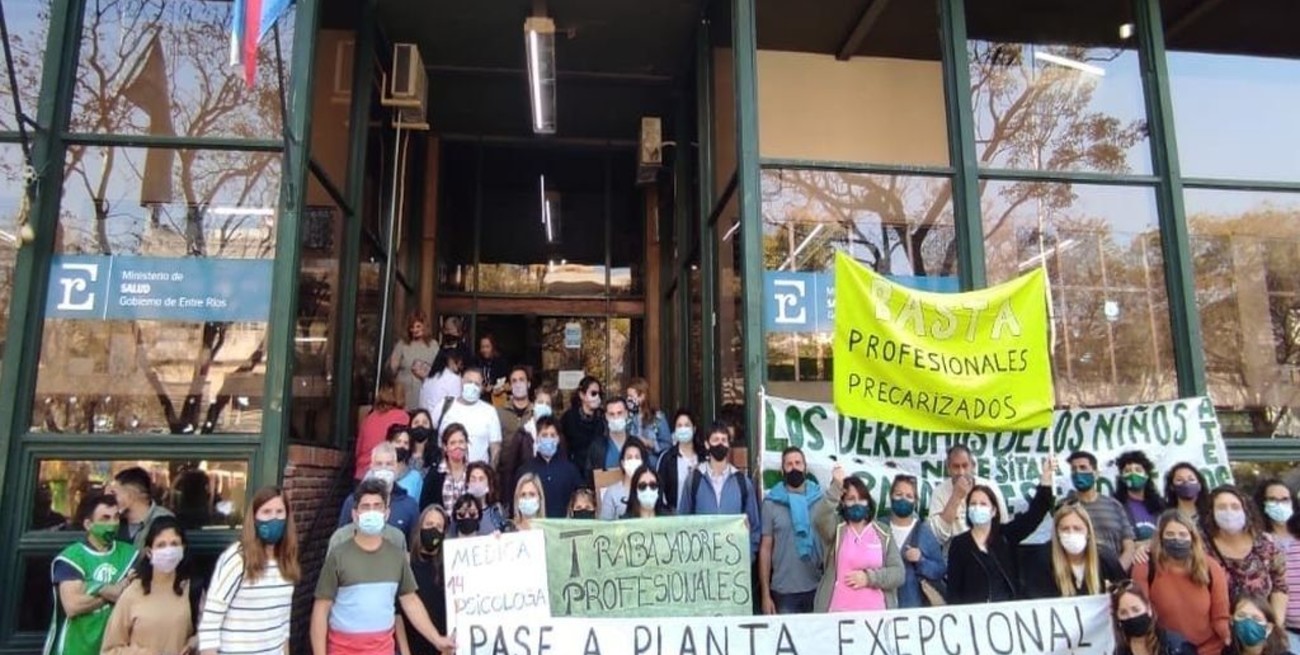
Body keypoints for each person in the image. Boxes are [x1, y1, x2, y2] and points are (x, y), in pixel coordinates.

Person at [311, 479, 453, 655]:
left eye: (377, 506)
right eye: (366, 506)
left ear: (386, 513)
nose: (372, 511)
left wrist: (437, 639)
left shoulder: (396, 556)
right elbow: (320, 611)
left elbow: (410, 601)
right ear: (355, 514)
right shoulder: (337, 556)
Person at [198, 486, 300, 655]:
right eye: (266, 512)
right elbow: (211, 621)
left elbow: (283, 625)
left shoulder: (286, 562)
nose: (273, 518)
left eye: (279, 512)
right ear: (254, 518)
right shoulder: (238, 558)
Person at [945, 457, 1055, 604]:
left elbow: (1034, 515)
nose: (978, 507)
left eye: (983, 504)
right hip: (974, 619)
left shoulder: (1005, 536)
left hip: (1008, 614)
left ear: (994, 510)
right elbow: (954, 591)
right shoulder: (959, 544)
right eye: (973, 504)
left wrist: (1046, 479)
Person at [44, 494, 138, 655]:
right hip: (76, 647)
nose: (112, 524)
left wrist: (90, 587)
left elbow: (134, 597)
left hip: (115, 647)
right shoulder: (71, 558)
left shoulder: (130, 554)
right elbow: (73, 606)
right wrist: (107, 590)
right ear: (88, 524)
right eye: (105, 518)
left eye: (116, 517)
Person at [1133, 510, 1231, 655]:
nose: (1177, 539)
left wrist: (1232, 640)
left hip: (1208, 649)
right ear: (1160, 537)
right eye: (1170, 534)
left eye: (1182, 535)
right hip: (1165, 649)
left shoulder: (1211, 567)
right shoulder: (1145, 567)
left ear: (1192, 537)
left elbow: (1220, 616)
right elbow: (1142, 618)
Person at [101, 517, 199, 655]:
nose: (168, 551)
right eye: (161, 545)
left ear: (182, 548)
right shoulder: (133, 593)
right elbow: (109, 650)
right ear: (149, 552)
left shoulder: (193, 589)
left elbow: (209, 634)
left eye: (174, 544)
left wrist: (195, 642)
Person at [812, 464, 904, 612]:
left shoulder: (883, 532)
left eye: (861, 499)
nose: (857, 503)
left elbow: (898, 573)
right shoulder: (836, 529)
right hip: (836, 616)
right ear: (843, 502)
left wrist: (869, 578)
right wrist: (837, 486)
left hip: (876, 619)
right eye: (851, 499)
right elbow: (819, 518)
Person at [1206, 486, 1288, 633]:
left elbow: (1280, 586)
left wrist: (1275, 624)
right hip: (1222, 634)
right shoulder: (1202, 548)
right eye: (1222, 507)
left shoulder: (1264, 544)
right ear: (1212, 513)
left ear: (1245, 510)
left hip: (1263, 630)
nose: (1229, 512)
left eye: (1235, 506)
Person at [679, 422, 762, 557]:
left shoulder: (742, 482)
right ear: (707, 444)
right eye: (715, 440)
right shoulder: (694, 480)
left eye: (724, 440)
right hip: (701, 563)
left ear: (729, 445)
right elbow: (682, 521)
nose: (720, 444)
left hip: (734, 564)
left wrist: (747, 558)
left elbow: (754, 526)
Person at [760, 447, 824, 615]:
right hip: (783, 592)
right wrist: (765, 595)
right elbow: (765, 549)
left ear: (805, 467)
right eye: (789, 464)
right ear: (782, 470)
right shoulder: (771, 503)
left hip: (816, 587)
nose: (794, 468)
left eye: (798, 463)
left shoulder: (820, 500)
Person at [881, 474, 945, 609]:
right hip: (880, 606)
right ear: (891, 496)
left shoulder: (923, 532)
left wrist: (921, 560)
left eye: (909, 496)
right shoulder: (879, 527)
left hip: (913, 608)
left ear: (915, 501)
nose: (903, 499)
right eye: (899, 494)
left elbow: (940, 569)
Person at [1035, 504, 1126, 598]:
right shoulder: (1044, 559)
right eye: (1065, 529)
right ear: (1057, 533)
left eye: (1077, 528)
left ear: (1088, 532)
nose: (1071, 533)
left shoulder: (1105, 557)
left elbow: (1126, 594)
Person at [926, 444, 1009, 545]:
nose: (961, 472)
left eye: (965, 466)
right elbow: (936, 535)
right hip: (954, 552)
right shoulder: (939, 492)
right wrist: (956, 497)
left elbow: (1003, 524)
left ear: (973, 466)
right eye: (956, 467)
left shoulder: (990, 487)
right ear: (948, 468)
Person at [1066, 450, 1136, 567]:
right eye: (1074, 469)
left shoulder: (1114, 505)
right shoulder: (1065, 507)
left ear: (1096, 473)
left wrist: (1117, 573)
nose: (1078, 472)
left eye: (1083, 468)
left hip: (1114, 576)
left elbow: (1129, 545)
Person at [1254, 480, 1300, 651]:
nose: (1279, 504)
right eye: (1272, 500)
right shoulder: (1259, 540)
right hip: (1285, 631)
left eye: (1284, 499)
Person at [339, 443, 419, 540]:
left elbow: (413, 546)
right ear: (372, 467)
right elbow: (341, 538)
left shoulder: (409, 505)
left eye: (389, 464)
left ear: (396, 467)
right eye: (379, 464)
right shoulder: (353, 501)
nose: (384, 468)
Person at [403, 506, 449, 655]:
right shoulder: (406, 565)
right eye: (429, 524)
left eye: (439, 526)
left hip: (444, 648)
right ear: (420, 527)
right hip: (413, 647)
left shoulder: (450, 567)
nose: (434, 530)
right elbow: (398, 612)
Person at [518, 416, 583, 520]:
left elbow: (580, 501)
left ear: (558, 439)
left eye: (552, 435)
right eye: (544, 435)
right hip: (535, 529)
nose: (548, 439)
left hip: (563, 529)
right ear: (537, 438)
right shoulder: (525, 470)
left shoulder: (570, 470)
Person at [434, 367, 502, 466]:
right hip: (447, 473)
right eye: (469, 382)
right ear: (461, 381)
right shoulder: (445, 405)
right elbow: (430, 430)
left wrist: (490, 474)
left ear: (482, 387)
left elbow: (495, 447)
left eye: (477, 384)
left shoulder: (489, 411)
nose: (472, 386)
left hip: (476, 476)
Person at [1109, 581, 1198, 655]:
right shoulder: (1118, 651)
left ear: (1148, 609)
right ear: (1117, 617)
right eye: (1123, 613)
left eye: (1136, 610)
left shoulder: (1175, 645)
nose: (1131, 616)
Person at [499, 387, 555, 496]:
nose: (544, 406)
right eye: (540, 402)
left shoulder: (558, 435)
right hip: (526, 492)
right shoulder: (522, 434)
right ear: (533, 405)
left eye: (548, 404)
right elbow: (510, 470)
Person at [355, 380, 410, 480]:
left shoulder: (369, 417)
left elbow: (358, 450)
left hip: (360, 474)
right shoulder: (402, 416)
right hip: (382, 472)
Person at [110, 466, 175, 550]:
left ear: (129, 495)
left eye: (115, 494)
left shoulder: (164, 520)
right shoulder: (114, 520)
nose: (111, 499)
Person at [389, 312, 439, 410]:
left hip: (424, 391)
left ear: (425, 326)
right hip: (404, 394)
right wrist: (393, 366)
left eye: (418, 326)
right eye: (412, 327)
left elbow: (438, 369)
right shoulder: (402, 344)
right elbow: (392, 368)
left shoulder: (433, 345)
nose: (414, 330)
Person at [1116, 450, 1166, 545]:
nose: (1133, 474)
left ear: (1147, 475)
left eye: (1138, 470)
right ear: (1121, 477)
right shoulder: (1115, 506)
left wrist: (1145, 546)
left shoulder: (1161, 506)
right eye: (1127, 471)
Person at [419, 423, 470, 515]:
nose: (457, 446)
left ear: (466, 444)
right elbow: (425, 507)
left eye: (461, 442)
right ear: (445, 447)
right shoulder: (434, 474)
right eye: (453, 443)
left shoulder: (473, 472)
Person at [657, 409, 701, 512]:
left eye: (687, 425)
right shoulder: (666, 458)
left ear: (694, 429)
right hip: (675, 519)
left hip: (701, 518)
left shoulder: (703, 457)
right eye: (679, 426)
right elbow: (659, 492)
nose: (683, 429)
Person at [1222, 594, 1297, 655]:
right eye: (1241, 616)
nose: (1248, 622)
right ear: (1232, 621)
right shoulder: (1227, 652)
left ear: (1268, 628)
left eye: (1256, 619)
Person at [561, 376, 606, 476]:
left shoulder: (603, 418)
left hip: (597, 470)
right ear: (582, 395)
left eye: (599, 394)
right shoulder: (569, 418)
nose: (597, 397)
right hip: (574, 470)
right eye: (593, 393)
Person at [598, 441, 651, 520]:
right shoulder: (612, 492)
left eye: (637, 457)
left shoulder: (652, 487)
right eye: (629, 457)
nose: (633, 461)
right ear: (623, 463)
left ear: (642, 462)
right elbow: (604, 525)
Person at [625, 377, 671, 464]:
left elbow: (668, 445)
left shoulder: (658, 417)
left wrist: (650, 443)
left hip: (652, 466)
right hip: (632, 465)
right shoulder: (628, 417)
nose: (628, 399)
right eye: (627, 396)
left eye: (631, 396)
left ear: (642, 396)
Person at [588, 397, 634, 478]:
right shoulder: (597, 446)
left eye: (619, 413)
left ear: (626, 414)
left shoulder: (636, 444)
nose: (616, 418)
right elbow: (590, 477)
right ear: (606, 416)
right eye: (611, 414)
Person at [419, 350, 464, 430]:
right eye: (459, 360)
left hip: (423, 422)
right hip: (441, 426)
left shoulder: (429, 378)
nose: (460, 364)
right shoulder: (454, 379)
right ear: (450, 360)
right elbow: (456, 407)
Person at [464, 462, 508, 535]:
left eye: (481, 479)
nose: (477, 483)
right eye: (473, 479)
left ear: (489, 483)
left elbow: (506, 533)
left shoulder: (496, 510)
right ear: (467, 483)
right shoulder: (461, 511)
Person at [1165, 463, 1211, 527]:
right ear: (1172, 487)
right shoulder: (1167, 516)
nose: (1186, 483)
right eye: (1179, 480)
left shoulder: (1211, 513)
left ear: (1199, 485)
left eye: (1191, 479)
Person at [497, 366, 535, 442]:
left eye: (521, 380)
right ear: (510, 386)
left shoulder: (536, 412)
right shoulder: (499, 414)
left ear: (528, 384)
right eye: (514, 381)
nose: (518, 384)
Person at [387, 424, 423, 502]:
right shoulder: (375, 472)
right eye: (398, 441)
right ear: (389, 443)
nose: (402, 446)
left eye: (406, 443)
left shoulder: (415, 477)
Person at [472, 334, 509, 402]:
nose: (485, 350)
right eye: (482, 347)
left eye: (487, 347)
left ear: (493, 347)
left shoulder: (500, 362)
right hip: (480, 397)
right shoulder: (477, 361)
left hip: (496, 398)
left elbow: (506, 382)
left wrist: (493, 387)